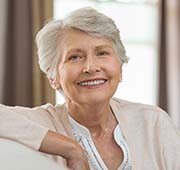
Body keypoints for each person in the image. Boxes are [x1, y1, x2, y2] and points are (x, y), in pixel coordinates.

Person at [0, 7, 180, 170]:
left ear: (120, 67)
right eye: (75, 57)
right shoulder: (40, 122)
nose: (91, 67)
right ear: (53, 78)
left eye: (102, 53)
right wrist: (69, 148)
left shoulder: (153, 123)